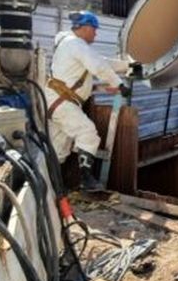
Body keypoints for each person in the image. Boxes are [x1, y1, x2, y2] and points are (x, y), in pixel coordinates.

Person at [45, 10, 128, 190]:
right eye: (94, 29)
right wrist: (120, 85)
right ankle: (86, 180)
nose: (96, 33)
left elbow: (101, 61)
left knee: (59, 150)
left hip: (57, 102)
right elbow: (98, 66)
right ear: (85, 28)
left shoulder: (71, 45)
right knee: (87, 133)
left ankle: (52, 189)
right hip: (62, 103)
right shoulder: (75, 44)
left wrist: (128, 65)